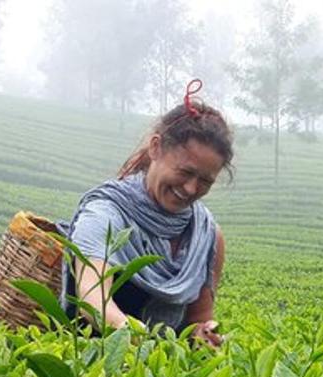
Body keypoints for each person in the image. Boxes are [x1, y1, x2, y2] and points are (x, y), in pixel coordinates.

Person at [60, 80, 231, 347]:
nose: (190, 189)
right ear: (155, 147)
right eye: (185, 172)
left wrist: (205, 334)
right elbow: (92, 298)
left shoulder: (207, 236)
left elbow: (198, 319)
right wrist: (135, 337)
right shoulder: (106, 213)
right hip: (90, 367)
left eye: (205, 181)